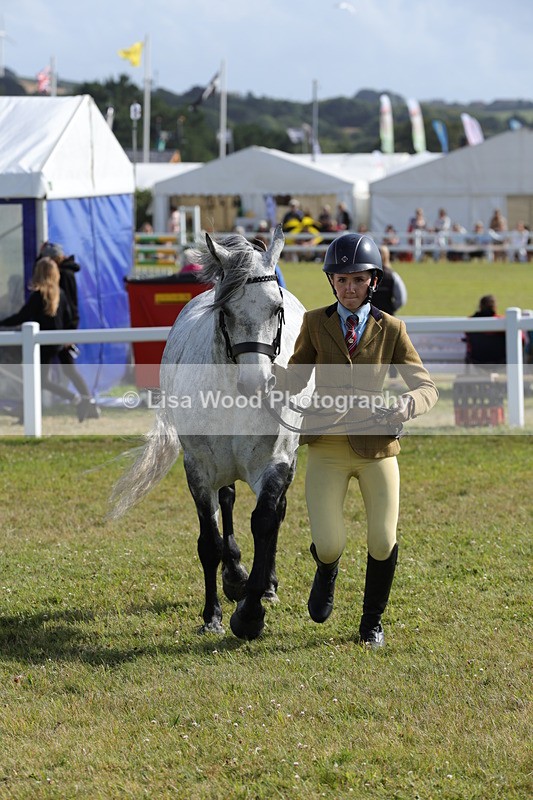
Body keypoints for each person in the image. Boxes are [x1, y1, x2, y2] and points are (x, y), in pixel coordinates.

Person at [278, 233, 438, 648]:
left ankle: (372, 624)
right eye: (342, 280)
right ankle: (326, 567)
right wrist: (262, 376)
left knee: (383, 540)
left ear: (373, 282)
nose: (349, 288)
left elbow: (427, 387)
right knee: (330, 543)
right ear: (332, 282)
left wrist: (408, 404)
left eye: (358, 280)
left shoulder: (393, 329)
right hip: (326, 447)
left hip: (377, 448)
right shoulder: (314, 323)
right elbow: (295, 377)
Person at [0, 258, 99, 421]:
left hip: (44, 345)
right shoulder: (61, 294)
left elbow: (22, 316)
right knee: (68, 373)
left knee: (39, 380)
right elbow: (68, 318)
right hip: (60, 343)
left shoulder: (38, 295)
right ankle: (87, 403)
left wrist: (2, 323)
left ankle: (75, 399)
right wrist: (68, 337)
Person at [38, 242, 100, 419]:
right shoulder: (64, 272)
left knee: (66, 371)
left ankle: (86, 403)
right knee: (68, 371)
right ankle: (89, 405)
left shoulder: (64, 275)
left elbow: (71, 307)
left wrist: (69, 333)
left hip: (62, 331)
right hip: (61, 330)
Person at [464, 295, 506, 366]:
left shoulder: (470, 322)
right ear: (495, 307)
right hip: (501, 361)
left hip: (476, 361)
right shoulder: (503, 321)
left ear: (480, 307)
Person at [372, 245, 408, 316]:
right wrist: (391, 308)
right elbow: (401, 299)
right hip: (387, 315)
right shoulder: (393, 276)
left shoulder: (369, 275)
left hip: (370, 316)